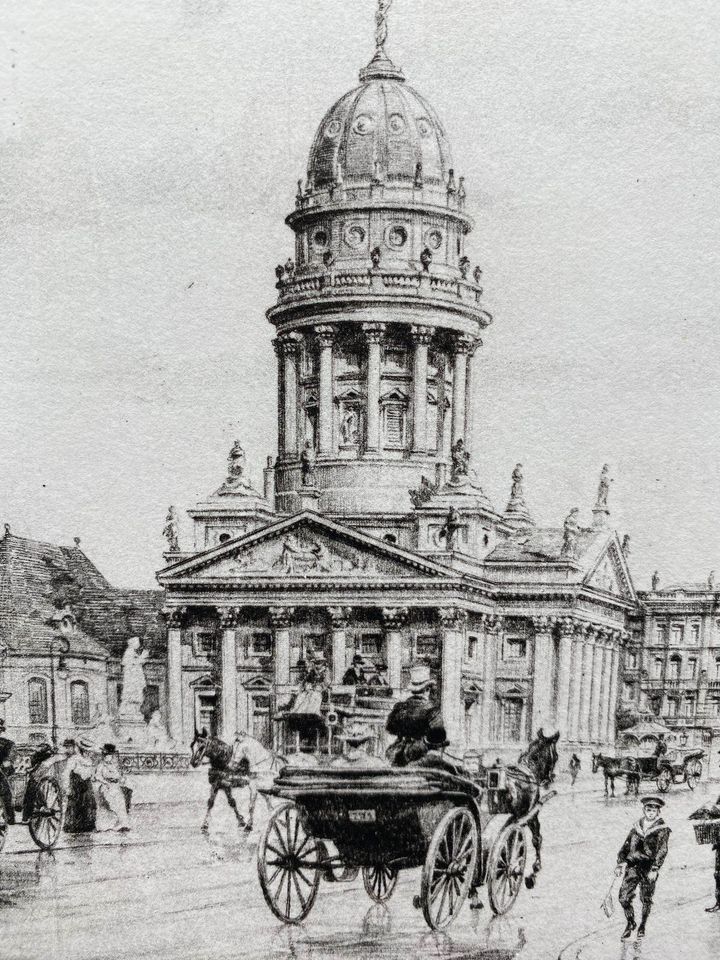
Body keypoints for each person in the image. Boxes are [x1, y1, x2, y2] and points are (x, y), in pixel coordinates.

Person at [616, 795, 671, 940]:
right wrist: (620, 863)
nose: (651, 812)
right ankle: (630, 922)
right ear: (644, 810)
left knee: (646, 899)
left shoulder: (662, 829)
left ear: (658, 812)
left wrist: (655, 869)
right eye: (648, 809)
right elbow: (626, 845)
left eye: (654, 810)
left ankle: (642, 926)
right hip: (633, 866)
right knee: (623, 898)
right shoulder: (636, 827)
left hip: (649, 868)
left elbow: (662, 850)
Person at [385, 665, 446, 767]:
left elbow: (389, 728)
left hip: (397, 754)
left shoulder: (399, 707)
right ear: (427, 689)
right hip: (420, 756)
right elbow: (439, 736)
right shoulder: (432, 711)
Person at [63, 737, 98, 834]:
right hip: (76, 785)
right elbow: (66, 773)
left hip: (87, 785)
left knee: (89, 804)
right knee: (75, 805)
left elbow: (91, 773)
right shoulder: (74, 759)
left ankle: (87, 826)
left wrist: (93, 777)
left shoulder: (90, 761)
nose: (89, 753)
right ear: (83, 751)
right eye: (87, 751)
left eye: (90, 752)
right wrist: (67, 787)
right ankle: (73, 826)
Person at [94, 744, 131, 832]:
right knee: (111, 803)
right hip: (106, 786)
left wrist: (122, 779)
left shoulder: (114, 765)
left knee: (120, 803)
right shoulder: (101, 765)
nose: (107, 758)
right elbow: (98, 776)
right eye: (106, 756)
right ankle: (107, 825)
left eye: (109, 756)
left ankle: (122, 823)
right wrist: (106, 783)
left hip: (116, 786)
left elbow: (119, 776)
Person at [0, 718, 17, 825]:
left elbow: (10, 757)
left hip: (4, 771)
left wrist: (6, 762)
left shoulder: (8, 744)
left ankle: (9, 814)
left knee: (4, 788)